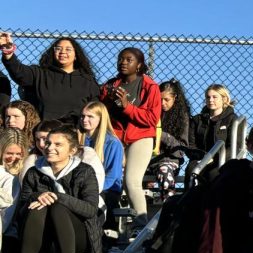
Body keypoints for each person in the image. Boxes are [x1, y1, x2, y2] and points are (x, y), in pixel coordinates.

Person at [5, 123, 102, 253]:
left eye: (58, 144)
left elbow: (91, 210)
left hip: (78, 237)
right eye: (48, 143)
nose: (49, 147)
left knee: (57, 204)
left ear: (72, 150)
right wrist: (36, 196)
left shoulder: (85, 171)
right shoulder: (34, 172)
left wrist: (58, 197)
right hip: (41, 238)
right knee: (39, 203)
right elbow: (21, 212)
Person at [94, 47, 161, 220]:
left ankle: (141, 225)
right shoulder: (110, 85)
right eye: (120, 59)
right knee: (108, 180)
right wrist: (107, 101)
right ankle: (107, 224)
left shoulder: (149, 86)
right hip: (115, 137)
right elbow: (101, 113)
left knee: (131, 182)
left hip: (140, 136)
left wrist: (127, 107)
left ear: (139, 65)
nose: (123, 62)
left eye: (128, 60)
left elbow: (151, 119)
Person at [0, 33, 100, 123]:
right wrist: (8, 50)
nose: (62, 52)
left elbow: (95, 110)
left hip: (76, 136)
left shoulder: (88, 81)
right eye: (58, 48)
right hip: (43, 135)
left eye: (68, 49)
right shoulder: (40, 73)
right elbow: (19, 72)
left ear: (75, 56)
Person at [80, 100, 124, 213]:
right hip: (82, 188)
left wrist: (91, 190)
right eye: (83, 116)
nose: (84, 120)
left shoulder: (113, 143)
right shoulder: (77, 140)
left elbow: (112, 176)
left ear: (101, 119)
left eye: (90, 116)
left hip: (107, 190)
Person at [191, 84, 238, 156]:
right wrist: (202, 158)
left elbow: (234, 146)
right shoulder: (197, 120)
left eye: (214, 97)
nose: (210, 100)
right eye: (208, 97)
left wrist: (218, 159)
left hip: (223, 162)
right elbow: (191, 145)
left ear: (224, 99)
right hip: (200, 161)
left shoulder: (232, 119)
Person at [0, 128, 27, 235]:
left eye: (18, 154)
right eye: (9, 153)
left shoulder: (13, 179)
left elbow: (8, 214)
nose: (14, 158)